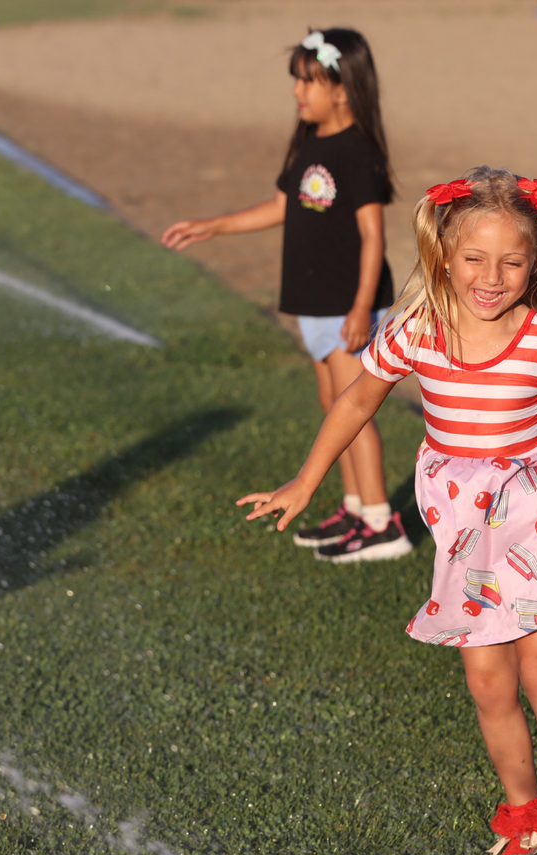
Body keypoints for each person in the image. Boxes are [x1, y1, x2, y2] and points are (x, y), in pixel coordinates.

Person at [237, 167, 537, 855]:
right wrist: (303, 482)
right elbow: (357, 398)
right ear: (443, 255)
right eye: (474, 258)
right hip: (463, 515)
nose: (490, 277)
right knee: (485, 679)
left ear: (536, 262)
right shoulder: (416, 333)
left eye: (512, 261)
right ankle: (524, 815)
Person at [162, 28, 411, 563]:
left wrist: (363, 306)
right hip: (315, 302)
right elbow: (282, 206)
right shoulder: (309, 141)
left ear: (342, 89)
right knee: (331, 407)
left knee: (352, 410)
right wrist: (215, 226)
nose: (297, 92)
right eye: (296, 81)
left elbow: (374, 235)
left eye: (307, 81)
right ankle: (353, 505)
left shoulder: (357, 151)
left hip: (349, 306)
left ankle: (381, 523)